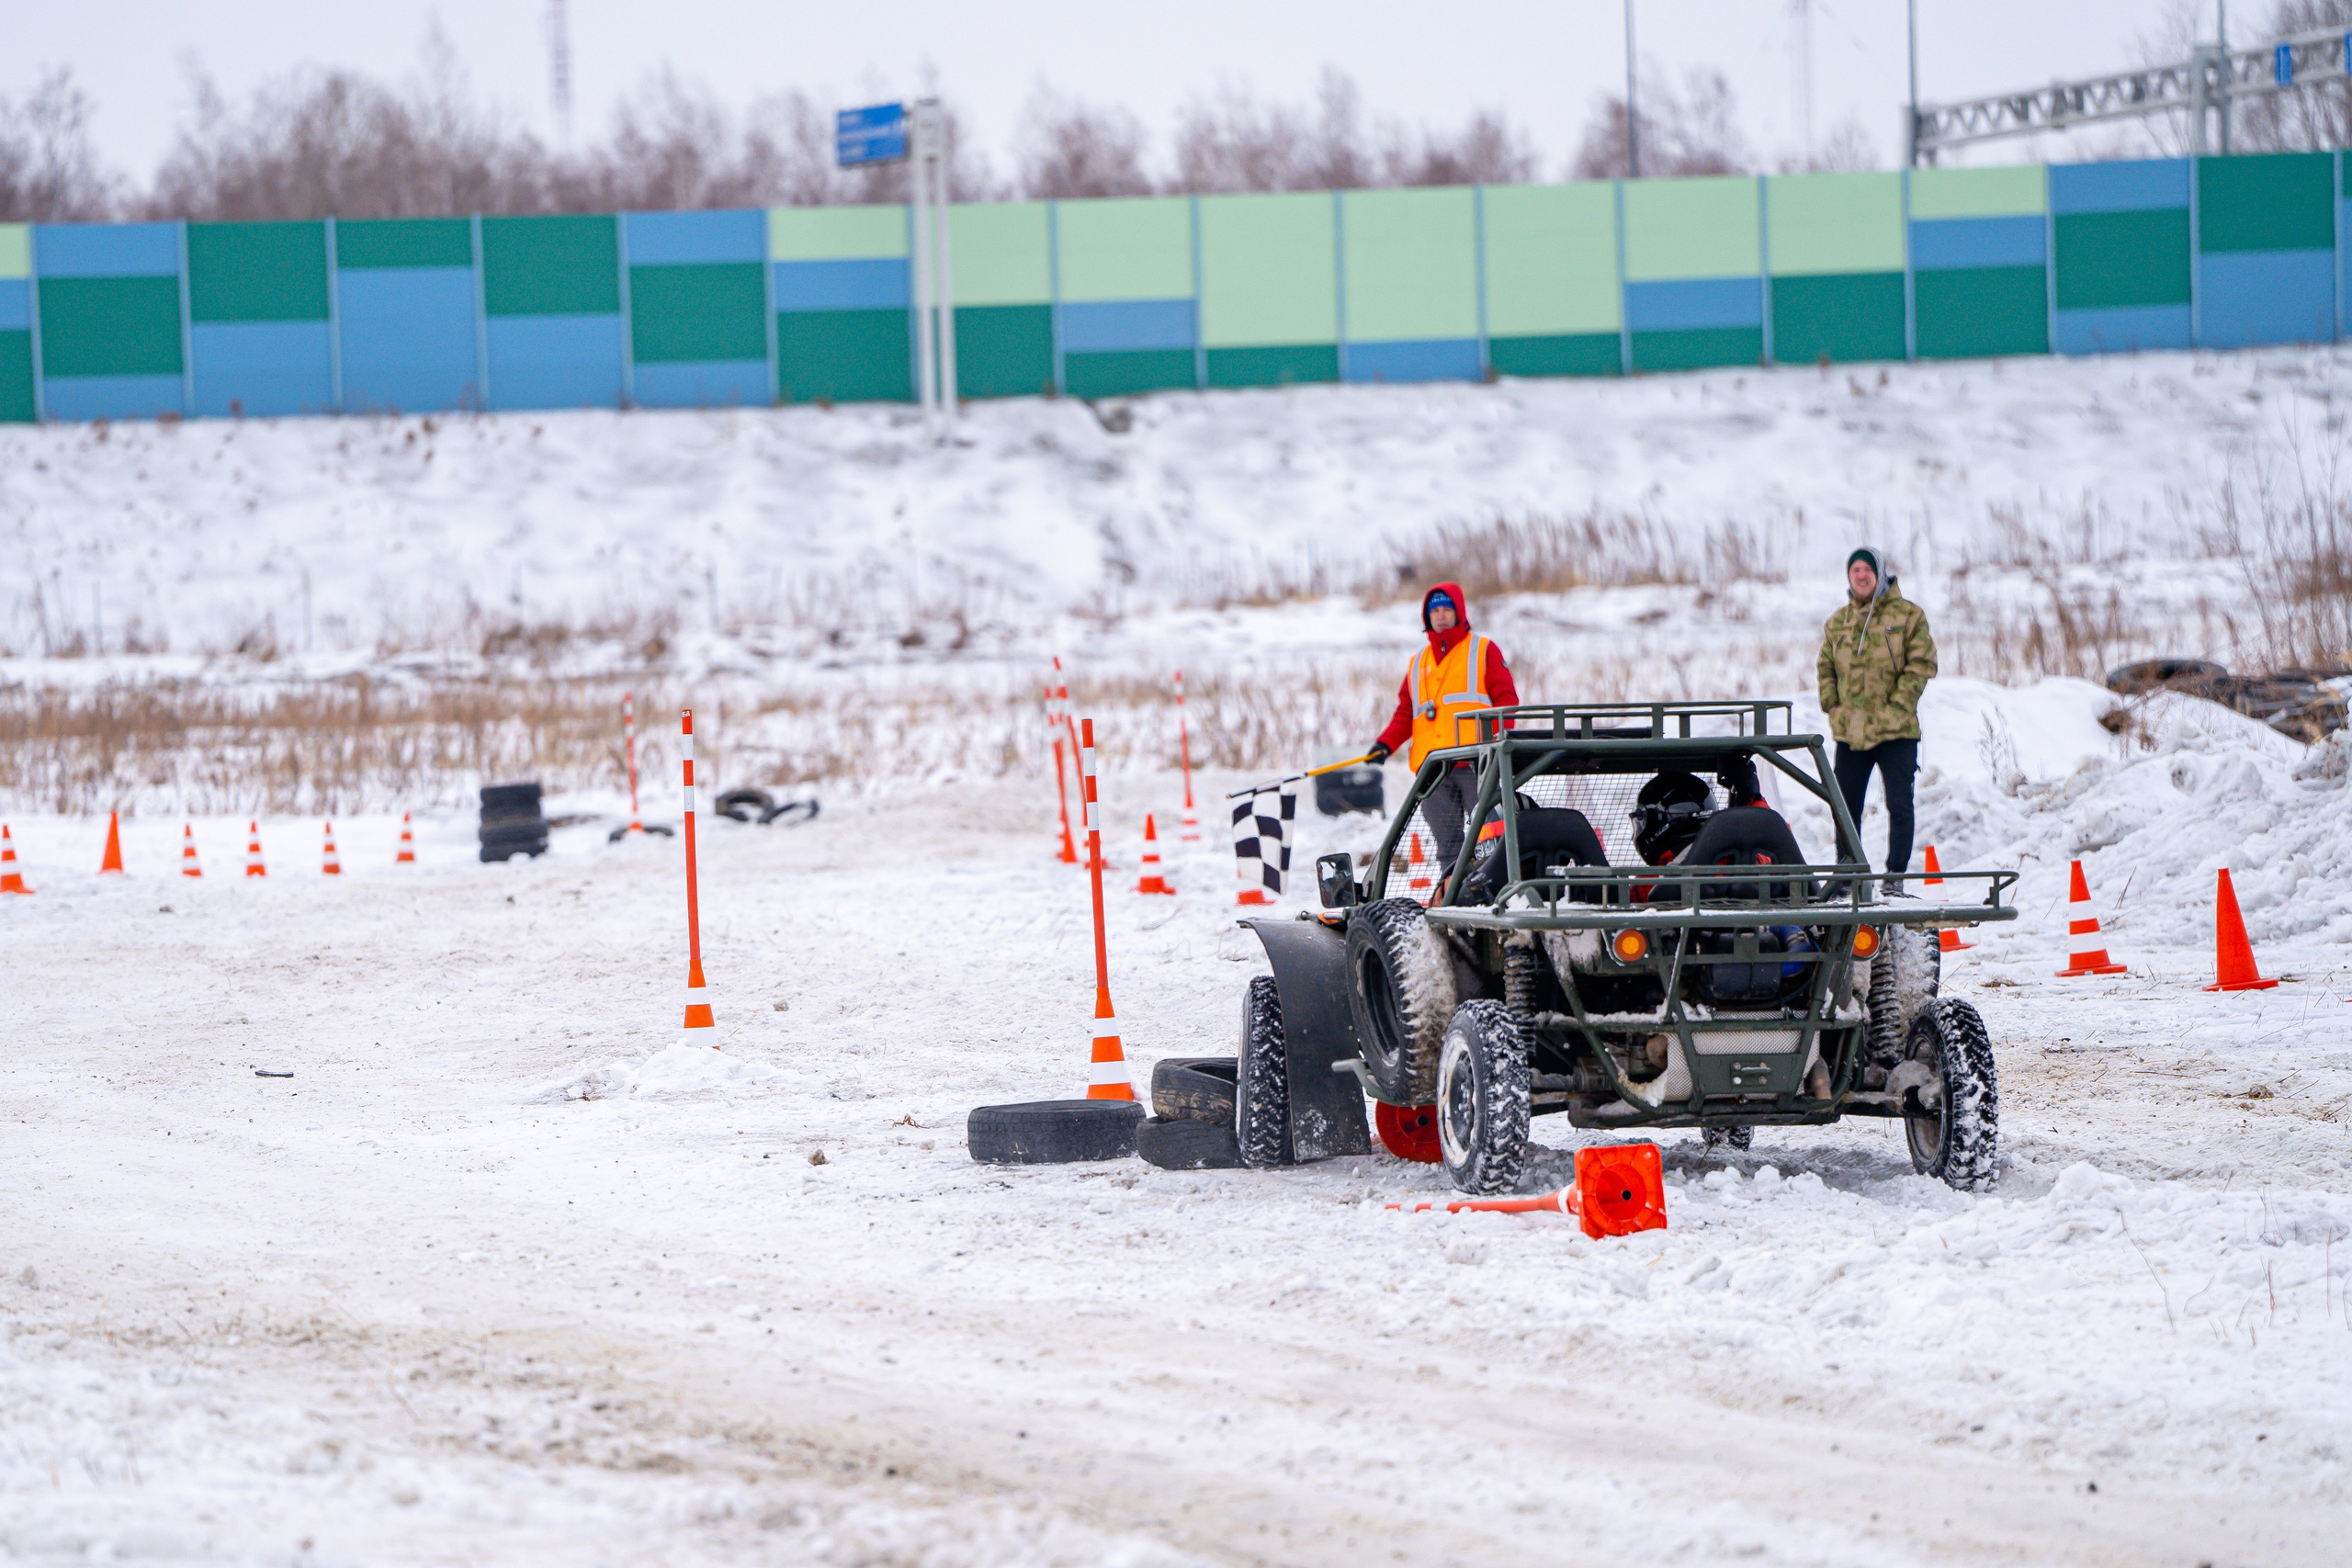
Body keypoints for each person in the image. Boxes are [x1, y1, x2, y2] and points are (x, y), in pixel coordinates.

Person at [1365, 582, 1519, 874]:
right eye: (1434, 611)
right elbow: (1406, 712)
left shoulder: (1482, 650)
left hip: (1476, 765)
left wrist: (1498, 742)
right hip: (1434, 771)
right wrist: (1385, 744)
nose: (1441, 616)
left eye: (1447, 609)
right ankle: (1453, 891)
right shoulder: (1417, 662)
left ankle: (1498, 889)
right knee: (1448, 847)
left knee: (1491, 840)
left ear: (1459, 612)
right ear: (1427, 617)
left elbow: (1506, 701)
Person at [1817, 546, 1937, 882]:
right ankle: (1847, 876)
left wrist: (1899, 704)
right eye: (1855, 570)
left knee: (1899, 805)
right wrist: (1831, 702)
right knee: (1845, 808)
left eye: (1867, 570)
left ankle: (1895, 876)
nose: (1861, 576)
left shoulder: (1908, 616)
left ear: (1880, 574)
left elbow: (1922, 663)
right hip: (1851, 733)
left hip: (1896, 731)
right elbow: (1825, 666)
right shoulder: (1838, 622)